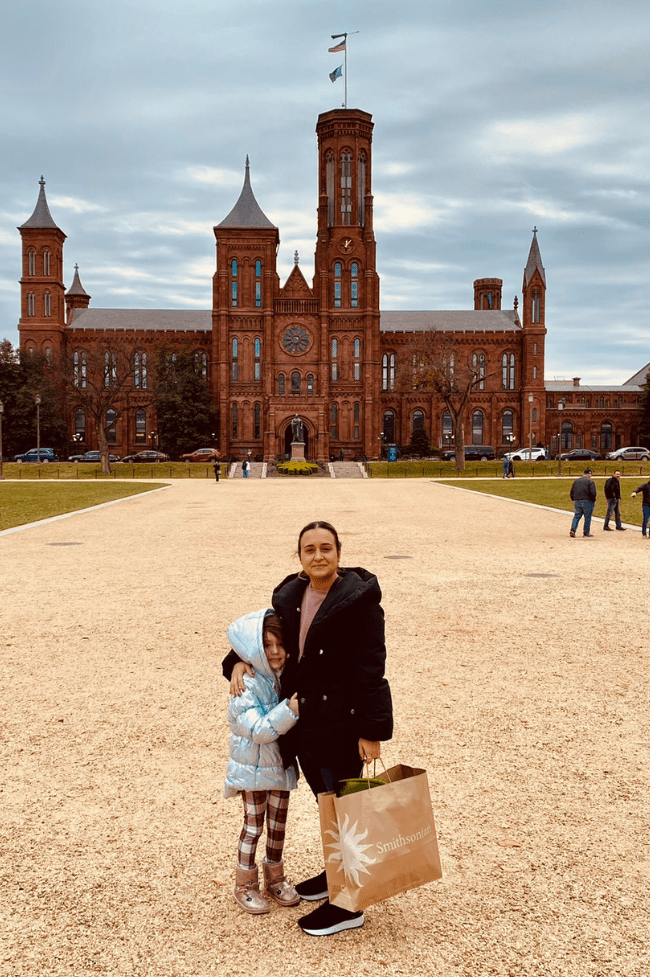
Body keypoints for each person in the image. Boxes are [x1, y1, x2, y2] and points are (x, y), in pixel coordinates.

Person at [223, 520, 393, 937]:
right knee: (326, 801)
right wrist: (237, 663)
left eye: (326, 548)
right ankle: (336, 874)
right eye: (309, 549)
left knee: (344, 807)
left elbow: (371, 667)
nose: (318, 556)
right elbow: (262, 640)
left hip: (340, 721)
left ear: (339, 553)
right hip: (303, 723)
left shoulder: (360, 601)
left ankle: (349, 904)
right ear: (299, 556)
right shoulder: (290, 596)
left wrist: (372, 731)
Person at [224, 608, 300, 914]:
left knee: (278, 826)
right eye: (267, 645)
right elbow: (257, 730)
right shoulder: (246, 684)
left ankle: (275, 877)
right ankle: (245, 883)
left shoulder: (286, 675)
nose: (275, 652)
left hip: (280, 766)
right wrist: (292, 709)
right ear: (255, 649)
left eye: (280, 644)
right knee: (254, 826)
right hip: (253, 766)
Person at [569, 468, 597, 537]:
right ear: (589, 474)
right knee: (587, 517)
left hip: (577, 500)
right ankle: (586, 532)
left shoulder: (576, 481)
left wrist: (573, 498)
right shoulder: (590, 482)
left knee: (577, 516)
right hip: (587, 501)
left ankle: (573, 529)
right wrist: (593, 500)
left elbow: (572, 491)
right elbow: (593, 492)